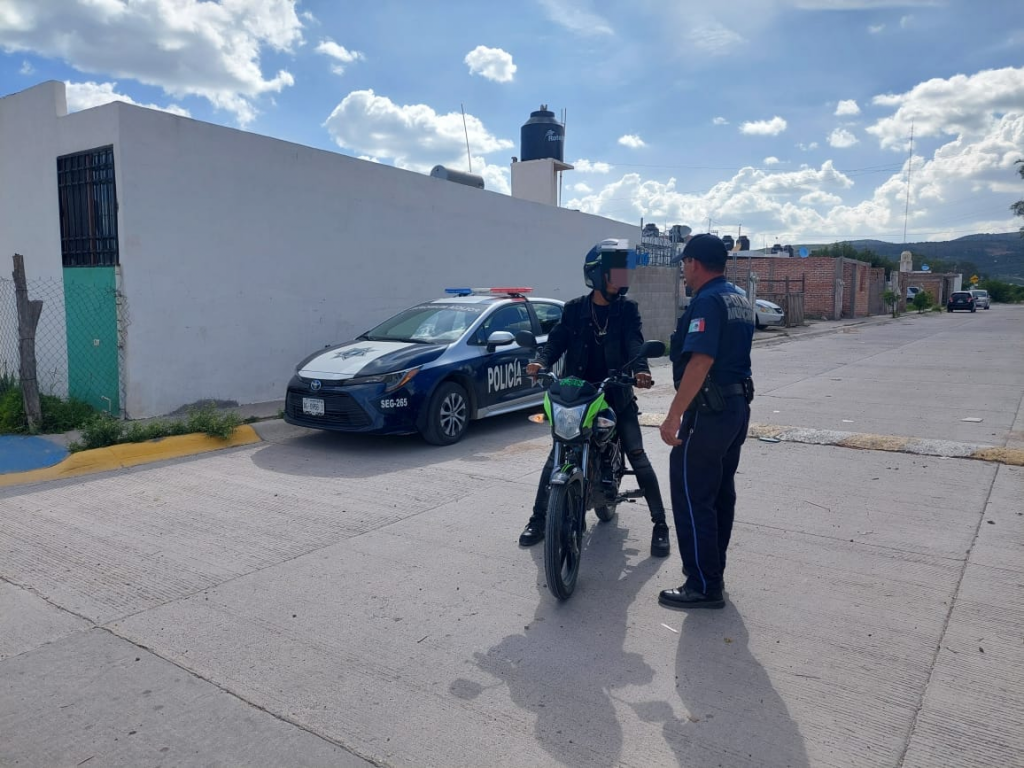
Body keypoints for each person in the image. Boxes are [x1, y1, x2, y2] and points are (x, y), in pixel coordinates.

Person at [519, 238, 671, 558]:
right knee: (557, 453)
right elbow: (557, 341)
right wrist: (541, 362)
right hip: (577, 395)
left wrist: (640, 370)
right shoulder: (574, 309)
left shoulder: (627, 310)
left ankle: (660, 525)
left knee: (637, 454)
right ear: (597, 274)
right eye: (616, 272)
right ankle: (538, 520)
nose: (622, 278)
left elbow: (634, 342)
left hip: (614, 393)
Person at [657, 234, 755, 609]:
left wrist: (673, 416)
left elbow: (700, 361)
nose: (683, 271)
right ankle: (713, 572)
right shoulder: (738, 298)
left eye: (684, 263)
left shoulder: (708, 301)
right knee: (719, 495)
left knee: (692, 495)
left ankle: (701, 584)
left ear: (694, 263)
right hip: (735, 408)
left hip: (709, 413)